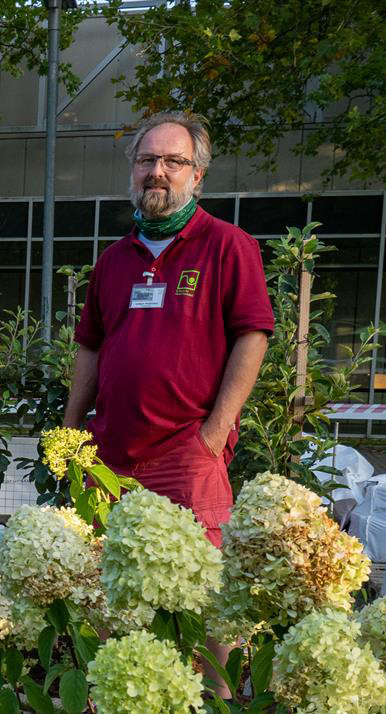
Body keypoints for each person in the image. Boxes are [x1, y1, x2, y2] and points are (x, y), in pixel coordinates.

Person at [63, 111, 274, 547]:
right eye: (146, 161)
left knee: (189, 593)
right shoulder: (113, 260)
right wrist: (70, 431)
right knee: (102, 592)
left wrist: (213, 435)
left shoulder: (228, 246)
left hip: (187, 456)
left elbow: (252, 337)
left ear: (196, 175)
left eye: (172, 162)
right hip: (109, 458)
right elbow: (90, 346)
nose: (157, 172)